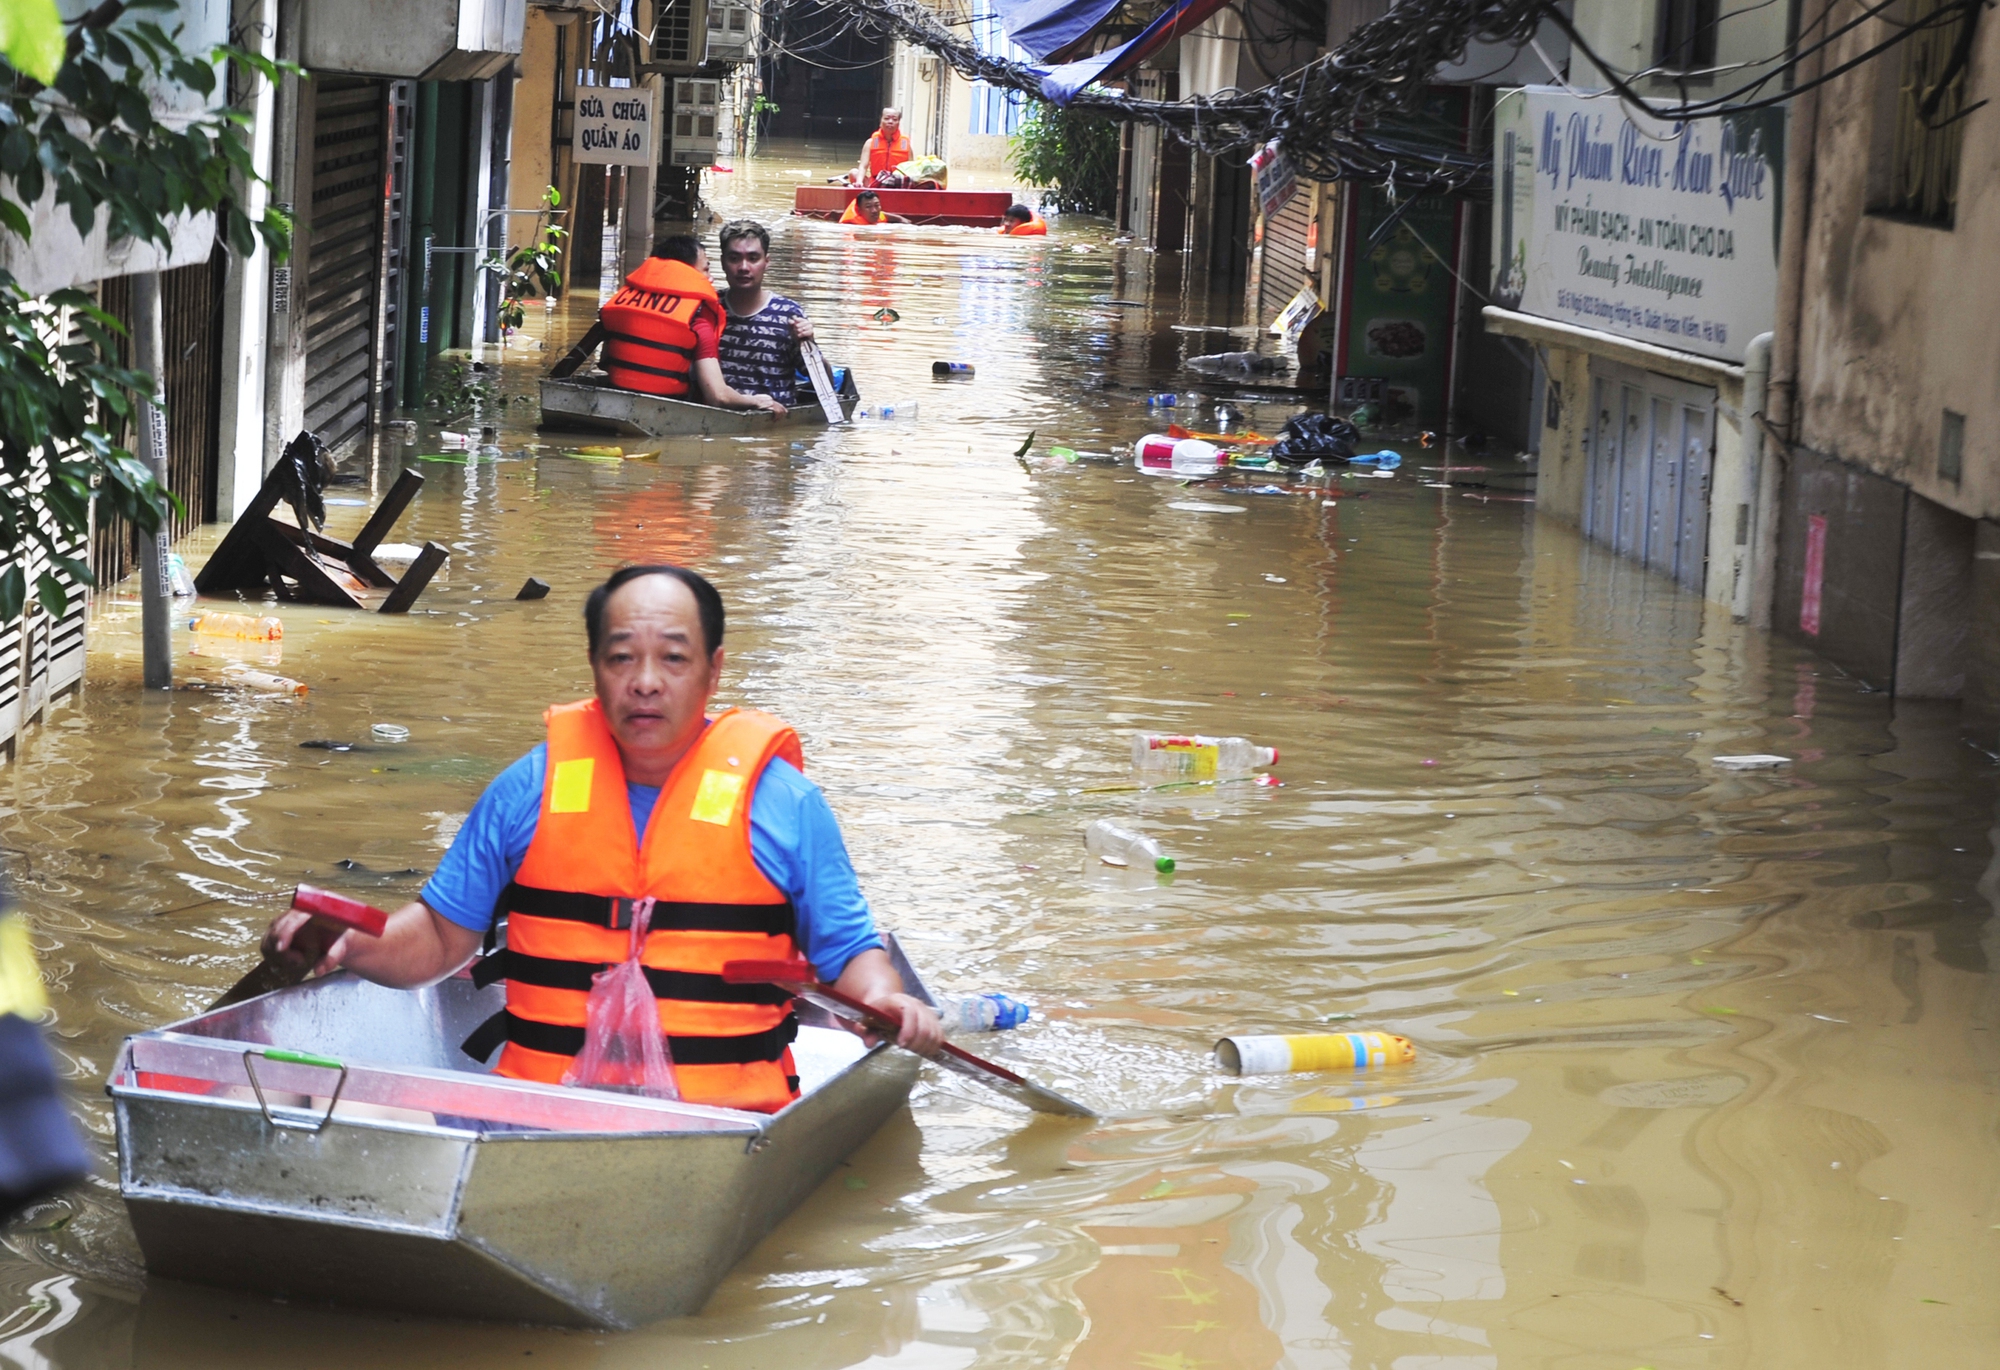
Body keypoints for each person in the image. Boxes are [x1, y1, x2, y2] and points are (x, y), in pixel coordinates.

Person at [261, 565, 944, 1114]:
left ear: (714, 670)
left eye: (673, 659)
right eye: (622, 658)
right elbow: (442, 938)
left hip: (726, 1122)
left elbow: (851, 955)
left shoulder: (787, 806)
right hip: (540, 1111)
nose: (645, 681)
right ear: (594, 667)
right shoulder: (529, 789)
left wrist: (885, 1001)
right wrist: (352, 942)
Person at [599, 235, 783, 414]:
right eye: (705, 269)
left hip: (616, 403)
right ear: (686, 272)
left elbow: (604, 362)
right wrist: (757, 401)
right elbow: (718, 397)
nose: (710, 278)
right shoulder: (697, 319)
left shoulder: (623, 304)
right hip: (668, 410)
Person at [715, 219, 816, 412]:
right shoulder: (709, 309)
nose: (744, 267)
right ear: (722, 262)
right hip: (720, 418)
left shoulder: (789, 314)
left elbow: (824, 384)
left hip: (775, 424)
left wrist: (809, 344)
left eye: (753, 258)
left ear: (766, 262)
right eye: (734, 258)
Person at [850, 107, 910, 186]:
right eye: (886, 118)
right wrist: (859, 181)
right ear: (880, 121)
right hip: (876, 182)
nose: (890, 122)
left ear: (899, 122)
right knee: (853, 173)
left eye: (894, 119)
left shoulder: (905, 143)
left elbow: (911, 169)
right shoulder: (870, 142)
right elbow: (863, 166)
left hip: (898, 183)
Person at [839, 190, 907, 226]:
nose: (874, 211)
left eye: (877, 205)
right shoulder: (850, 224)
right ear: (859, 210)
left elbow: (899, 219)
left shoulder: (878, 214)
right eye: (868, 206)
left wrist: (905, 221)